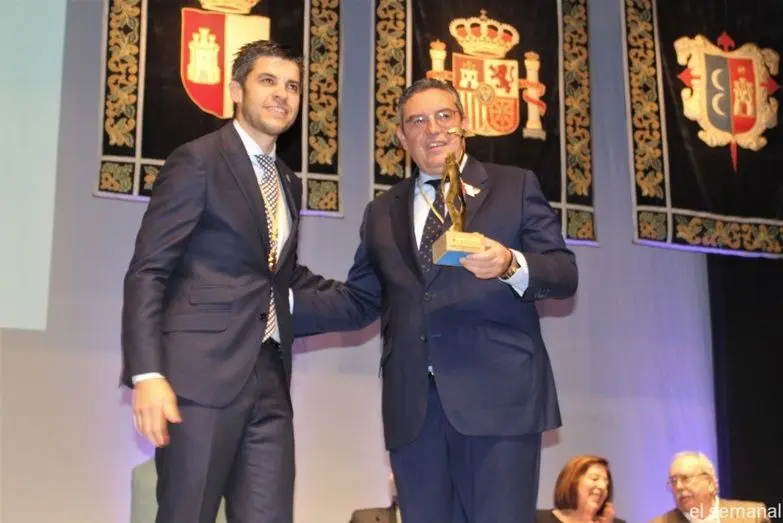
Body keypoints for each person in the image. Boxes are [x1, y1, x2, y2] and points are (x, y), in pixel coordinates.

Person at [294, 78, 578, 523]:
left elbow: (562, 274)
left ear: (464, 123)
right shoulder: (381, 211)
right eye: (417, 121)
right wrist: (280, 303)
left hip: (499, 402)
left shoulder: (515, 186)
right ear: (401, 136)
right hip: (414, 412)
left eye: (444, 116)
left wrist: (509, 263)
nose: (433, 129)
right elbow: (359, 301)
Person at [121, 39, 325, 523]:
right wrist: (147, 375)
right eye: (268, 81)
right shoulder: (198, 160)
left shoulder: (290, 181)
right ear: (236, 90)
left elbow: (278, 276)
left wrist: (382, 291)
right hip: (199, 378)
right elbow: (149, 270)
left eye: (292, 86)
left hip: (270, 377)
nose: (282, 95)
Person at [648, 451, 769, 523]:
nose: (678, 487)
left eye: (686, 479)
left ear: (710, 483)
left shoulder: (752, 517)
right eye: (673, 481)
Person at [536, 455, 625, 523]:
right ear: (572, 482)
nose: (602, 486)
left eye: (606, 483)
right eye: (594, 479)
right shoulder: (537, 519)